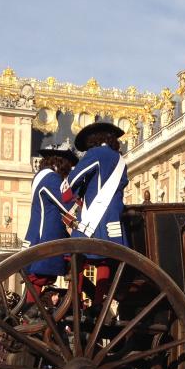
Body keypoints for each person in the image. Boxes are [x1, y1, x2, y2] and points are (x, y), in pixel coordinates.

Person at [61, 122, 128, 306]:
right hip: (113, 218)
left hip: (93, 217)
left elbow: (75, 178)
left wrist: (67, 194)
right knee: (105, 261)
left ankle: (74, 301)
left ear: (93, 140)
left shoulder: (96, 154)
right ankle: (99, 304)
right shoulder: (120, 160)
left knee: (78, 256)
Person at [23, 147, 78, 289]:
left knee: (37, 280)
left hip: (39, 235)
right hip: (48, 237)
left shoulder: (40, 177)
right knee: (79, 259)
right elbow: (67, 205)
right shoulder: (51, 178)